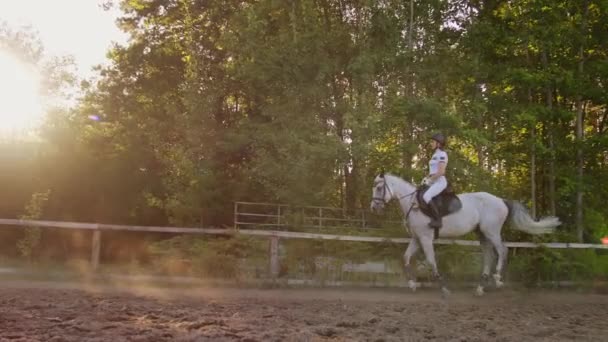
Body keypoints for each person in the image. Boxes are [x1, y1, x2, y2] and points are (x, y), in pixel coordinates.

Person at [422, 132, 448, 229]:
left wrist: (430, 180)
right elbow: (433, 171)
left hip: (440, 181)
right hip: (433, 180)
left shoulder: (442, 154)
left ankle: (438, 220)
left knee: (426, 196)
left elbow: (441, 172)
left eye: (433, 142)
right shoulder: (434, 155)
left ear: (439, 143)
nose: (431, 144)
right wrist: (427, 178)